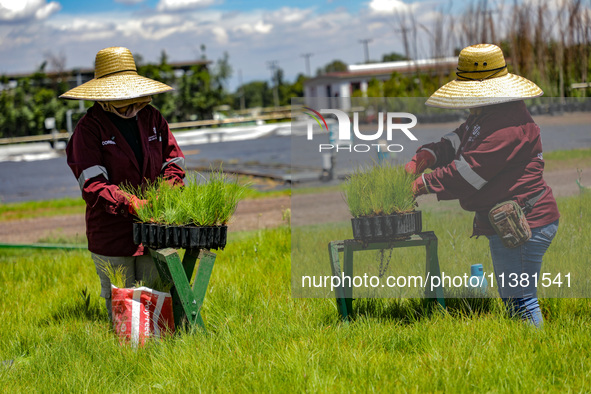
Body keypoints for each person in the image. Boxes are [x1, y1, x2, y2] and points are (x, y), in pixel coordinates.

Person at [405, 44, 559, 328]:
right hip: (513, 217)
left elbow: (468, 174)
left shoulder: (506, 124)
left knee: (521, 301)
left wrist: (422, 183)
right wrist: (429, 154)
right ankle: (528, 354)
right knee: (515, 299)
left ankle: (535, 356)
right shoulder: (487, 114)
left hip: (525, 220)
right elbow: (460, 138)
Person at [60, 46, 185, 319]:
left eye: (138, 100)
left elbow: (174, 163)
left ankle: (161, 355)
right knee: (122, 304)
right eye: (124, 101)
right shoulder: (89, 130)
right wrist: (131, 203)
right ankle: (124, 356)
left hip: (155, 228)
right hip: (112, 234)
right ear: (105, 98)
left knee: (157, 295)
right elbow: (93, 185)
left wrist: (167, 192)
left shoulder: (153, 119)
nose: (133, 107)